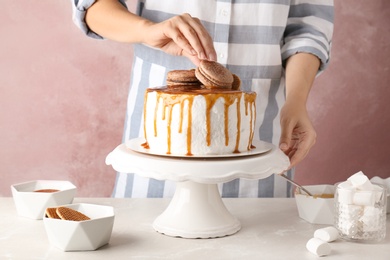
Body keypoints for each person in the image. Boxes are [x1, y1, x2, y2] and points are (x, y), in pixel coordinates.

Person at [72, 0, 334, 198]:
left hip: (260, 139)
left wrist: (297, 101)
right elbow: (90, 5)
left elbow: (308, 26)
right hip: (160, 148)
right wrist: (147, 30)